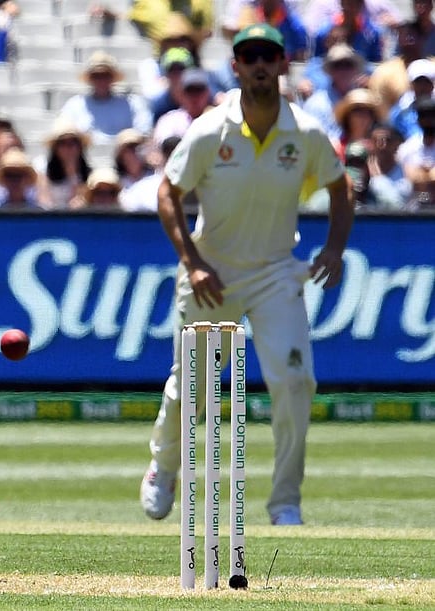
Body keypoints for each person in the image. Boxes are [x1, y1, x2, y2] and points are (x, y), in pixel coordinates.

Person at [139, 24, 353, 527]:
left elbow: (341, 189)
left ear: (282, 64)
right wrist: (192, 262)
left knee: (297, 380)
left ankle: (284, 502)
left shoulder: (306, 132)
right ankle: (162, 466)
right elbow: (169, 192)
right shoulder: (211, 129)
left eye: (268, 55)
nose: (259, 63)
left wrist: (335, 249)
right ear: (235, 66)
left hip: (278, 272)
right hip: (212, 273)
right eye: (249, 55)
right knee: (190, 388)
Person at [58, 50, 153, 144]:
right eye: (96, 76)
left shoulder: (132, 104)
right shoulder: (75, 105)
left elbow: (144, 132)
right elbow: (63, 133)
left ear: (112, 78)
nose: (101, 80)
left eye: (105, 75)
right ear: (90, 79)